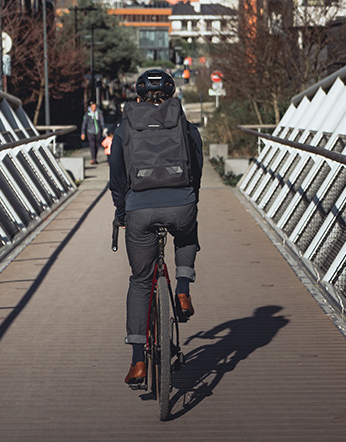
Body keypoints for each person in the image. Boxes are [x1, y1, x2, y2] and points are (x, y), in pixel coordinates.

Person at [109, 69, 203, 385]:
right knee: (187, 230)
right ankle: (183, 288)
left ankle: (138, 362)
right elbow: (197, 165)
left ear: (138, 96)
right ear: (171, 95)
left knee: (140, 281)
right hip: (182, 205)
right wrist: (192, 198)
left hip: (139, 210)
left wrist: (122, 212)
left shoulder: (125, 129)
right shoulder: (184, 125)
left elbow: (117, 177)